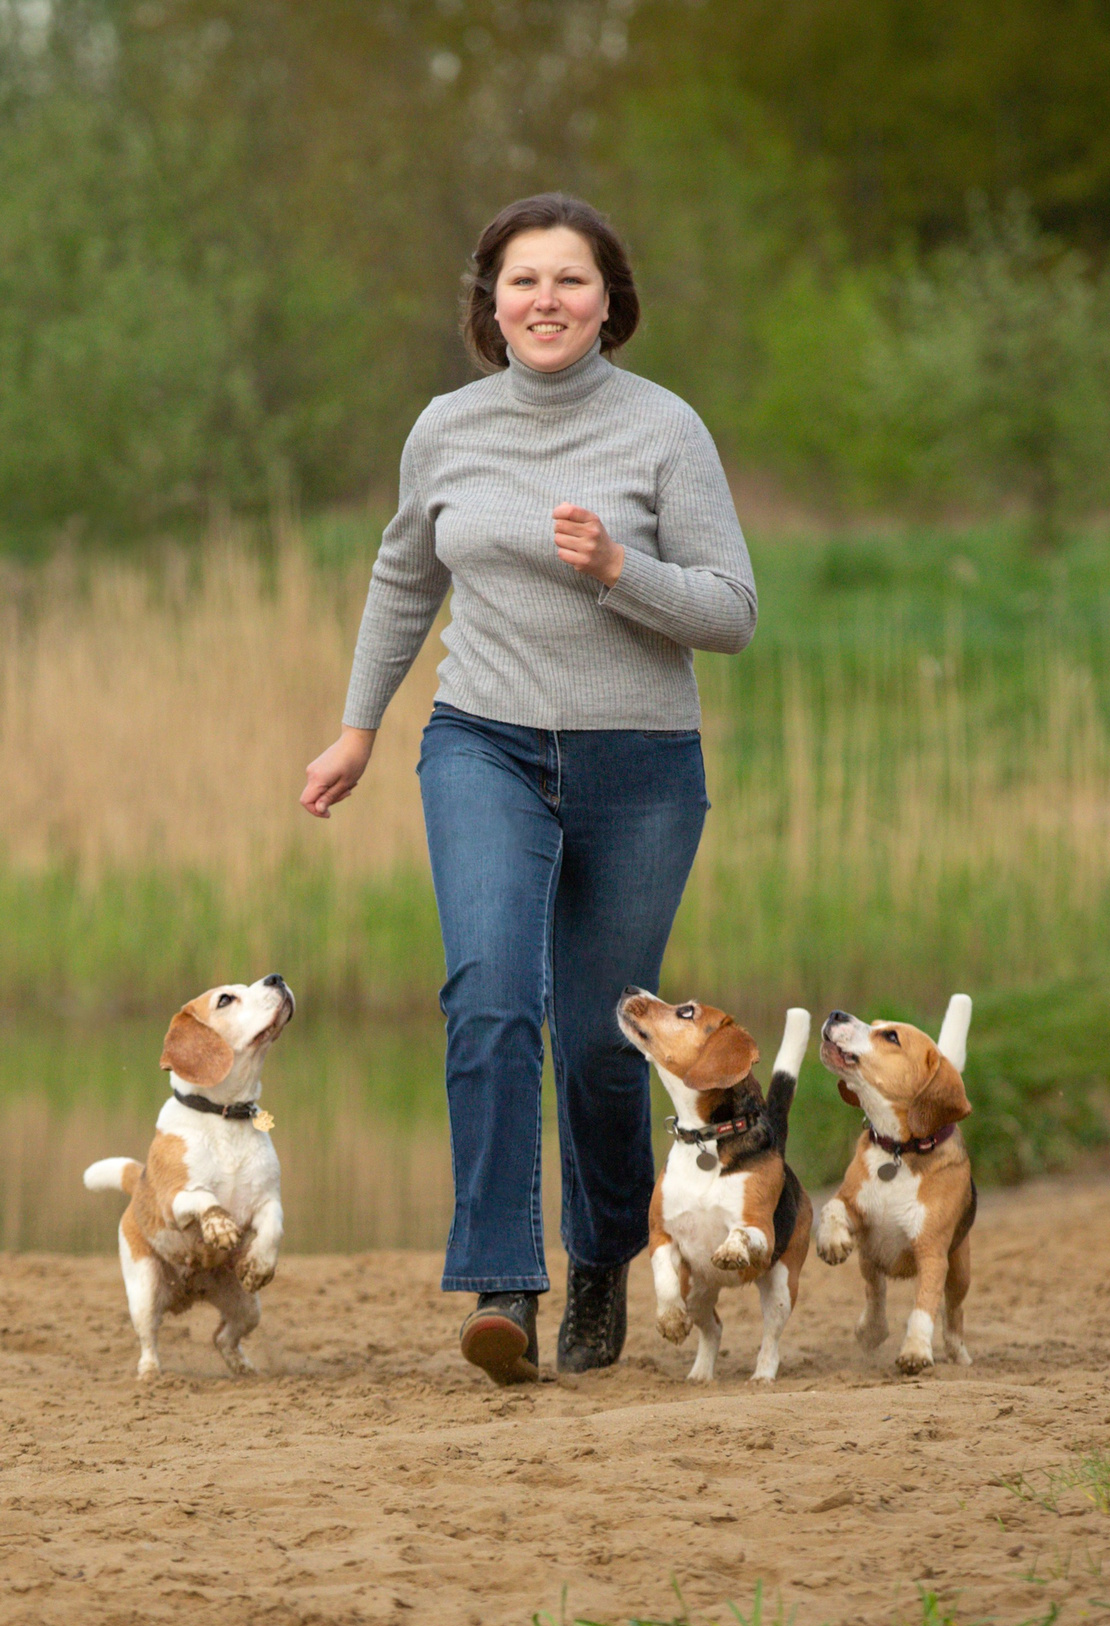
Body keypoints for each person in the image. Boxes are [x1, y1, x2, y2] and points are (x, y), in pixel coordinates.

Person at [299, 192, 757, 1383]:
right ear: (487, 303)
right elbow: (404, 578)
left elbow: (732, 613)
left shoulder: (665, 430)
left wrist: (618, 568)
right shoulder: (446, 429)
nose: (543, 300)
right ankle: (503, 1281)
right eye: (521, 281)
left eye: (568, 280)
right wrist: (356, 732)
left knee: (606, 1044)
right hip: (481, 743)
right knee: (490, 995)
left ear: (611, 303)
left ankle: (602, 1259)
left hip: (640, 764)